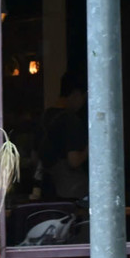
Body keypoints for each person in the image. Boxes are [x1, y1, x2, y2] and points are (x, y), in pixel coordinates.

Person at [40, 70, 88, 201]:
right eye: (83, 98)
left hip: (47, 189)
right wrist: (90, 148)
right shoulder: (71, 120)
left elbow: (34, 156)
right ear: (76, 94)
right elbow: (74, 160)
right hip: (69, 193)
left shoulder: (45, 116)